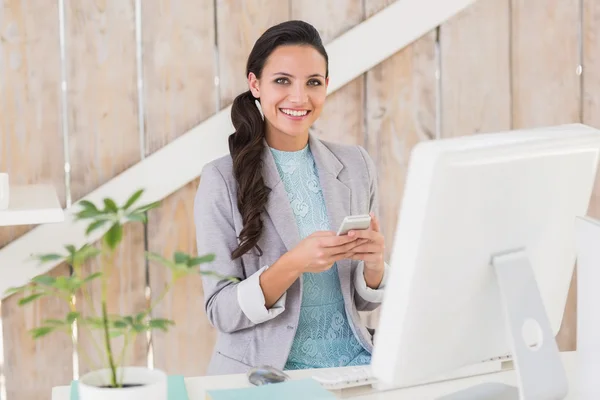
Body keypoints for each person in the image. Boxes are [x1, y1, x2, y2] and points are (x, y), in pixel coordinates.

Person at [194, 20, 389, 376]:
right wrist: (292, 263)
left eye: (313, 82)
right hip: (269, 374)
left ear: (327, 86)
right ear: (255, 84)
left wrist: (375, 265)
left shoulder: (356, 164)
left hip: (356, 366)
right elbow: (220, 311)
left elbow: (361, 302)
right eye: (282, 81)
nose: (299, 98)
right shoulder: (221, 179)